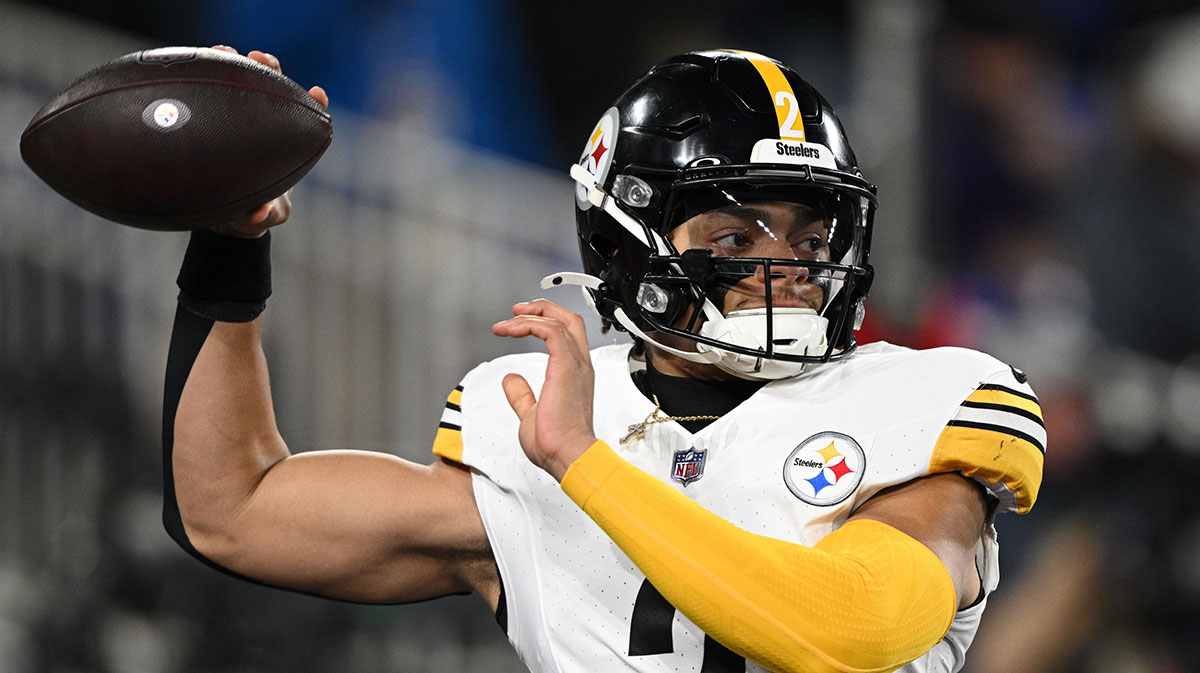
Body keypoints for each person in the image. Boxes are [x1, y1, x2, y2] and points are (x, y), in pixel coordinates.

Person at [163, 46, 1045, 673]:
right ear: (627, 241)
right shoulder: (532, 423)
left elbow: (852, 628)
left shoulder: (928, 398)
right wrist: (226, 247)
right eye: (737, 233)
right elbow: (232, 509)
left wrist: (587, 466)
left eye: (812, 238)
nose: (789, 269)